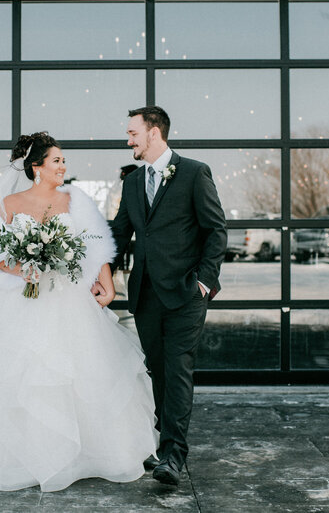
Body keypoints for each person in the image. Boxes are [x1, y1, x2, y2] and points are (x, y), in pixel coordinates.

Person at [0, 132, 157, 492]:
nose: (63, 166)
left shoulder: (75, 200)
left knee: (80, 373)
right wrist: (23, 268)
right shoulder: (9, 203)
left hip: (69, 299)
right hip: (21, 301)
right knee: (23, 376)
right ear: (36, 167)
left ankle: (88, 453)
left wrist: (105, 282)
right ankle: (25, 455)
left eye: (63, 161)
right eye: (56, 160)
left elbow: (95, 245)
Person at [94, 106, 227, 486]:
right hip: (147, 295)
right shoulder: (133, 182)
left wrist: (204, 281)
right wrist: (96, 272)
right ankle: (161, 444)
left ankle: (173, 456)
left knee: (178, 369)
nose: (128, 139)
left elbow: (216, 230)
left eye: (133, 133)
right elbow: (119, 233)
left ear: (154, 133)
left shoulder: (194, 172)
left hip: (186, 292)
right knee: (158, 372)